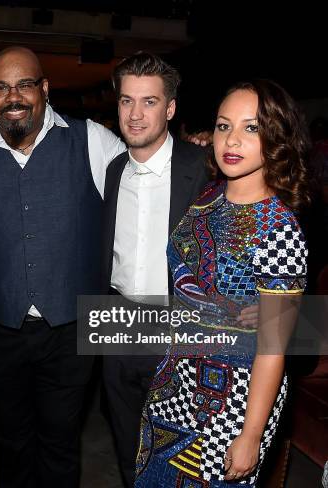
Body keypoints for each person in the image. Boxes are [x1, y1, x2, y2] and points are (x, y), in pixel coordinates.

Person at [0, 46, 126, 488]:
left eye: (24, 84)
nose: (12, 95)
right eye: (0, 87)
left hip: (71, 331)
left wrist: (198, 155)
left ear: (45, 89)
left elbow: (145, 181)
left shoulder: (93, 140)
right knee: (12, 447)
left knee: (60, 445)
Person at [135, 79, 310, 487]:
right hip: (172, 381)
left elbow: (273, 346)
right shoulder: (207, 198)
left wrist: (250, 435)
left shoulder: (279, 229)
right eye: (222, 125)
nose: (232, 140)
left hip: (232, 400)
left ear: (277, 137)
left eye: (251, 128)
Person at [100, 52, 209, 488]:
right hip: (121, 323)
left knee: (183, 454)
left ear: (170, 108)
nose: (136, 114)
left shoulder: (204, 167)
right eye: (127, 101)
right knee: (128, 447)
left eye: (149, 102)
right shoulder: (111, 171)